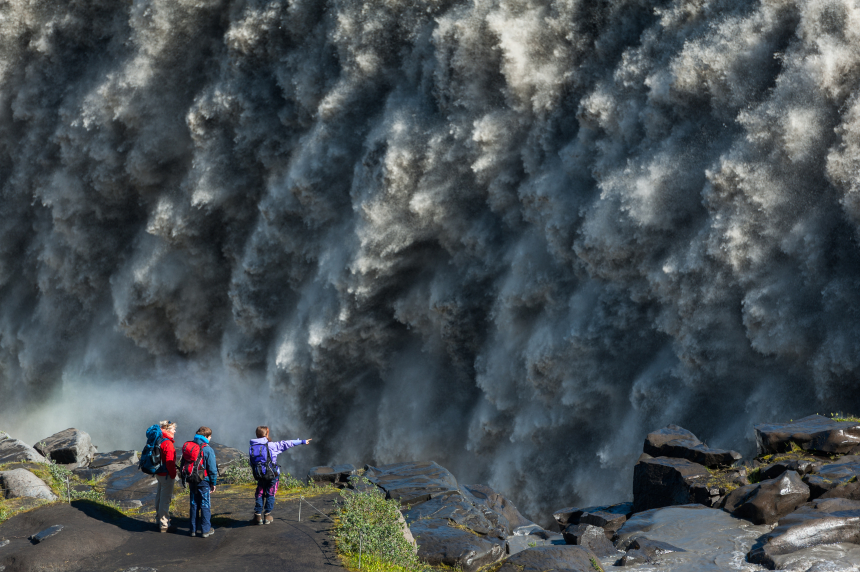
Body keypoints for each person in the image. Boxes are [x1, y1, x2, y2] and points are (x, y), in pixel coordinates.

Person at [249, 426, 312, 525]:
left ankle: (257, 516)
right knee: (270, 493)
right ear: (266, 434)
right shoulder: (271, 445)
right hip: (273, 475)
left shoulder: (252, 447)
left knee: (260, 493)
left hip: (260, 475)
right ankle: (267, 516)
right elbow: (286, 443)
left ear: (257, 435)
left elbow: (251, 463)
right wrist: (302, 441)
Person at [182, 426, 218, 538]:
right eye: (210, 437)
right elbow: (212, 469)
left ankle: (192, 530)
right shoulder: (207, 449)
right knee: (205, 504)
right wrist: (213, 483)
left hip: (192, 480)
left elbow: (184, 463)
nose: (211, 439)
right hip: (204, 481)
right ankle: (205, 530)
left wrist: (186, 478)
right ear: (206, 436)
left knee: (193, 504)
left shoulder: (190, 446)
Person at [154, 420, 177, 533]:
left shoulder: (159, 439)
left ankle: (158, 519)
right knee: (165, 499)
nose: (175, 431)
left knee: (159, 496)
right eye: (173, 429)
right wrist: (173, 474)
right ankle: (164, 524)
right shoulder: (167, 443)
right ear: (168, 430)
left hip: (159, 472)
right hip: (166, 474)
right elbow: (169, 461)